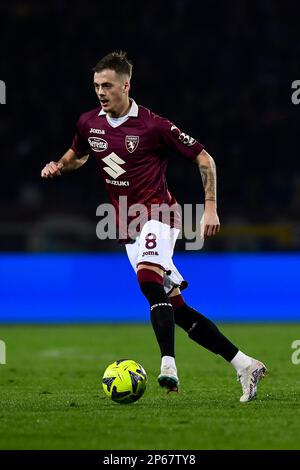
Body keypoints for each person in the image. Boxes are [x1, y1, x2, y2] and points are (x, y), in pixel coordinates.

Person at [41, 51, 267, 402]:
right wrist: (59, 165)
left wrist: (210, 207)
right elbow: (80, 154)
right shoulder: (88, 122)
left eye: (108, 85)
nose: (101, 91)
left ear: (126, 85)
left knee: (147, 279)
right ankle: (245, 364)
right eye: (96, 85)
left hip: (161, 214)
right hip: (126, 223)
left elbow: (204, 158)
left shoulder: (153, 126)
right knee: (177, 310)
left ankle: (168, 366)